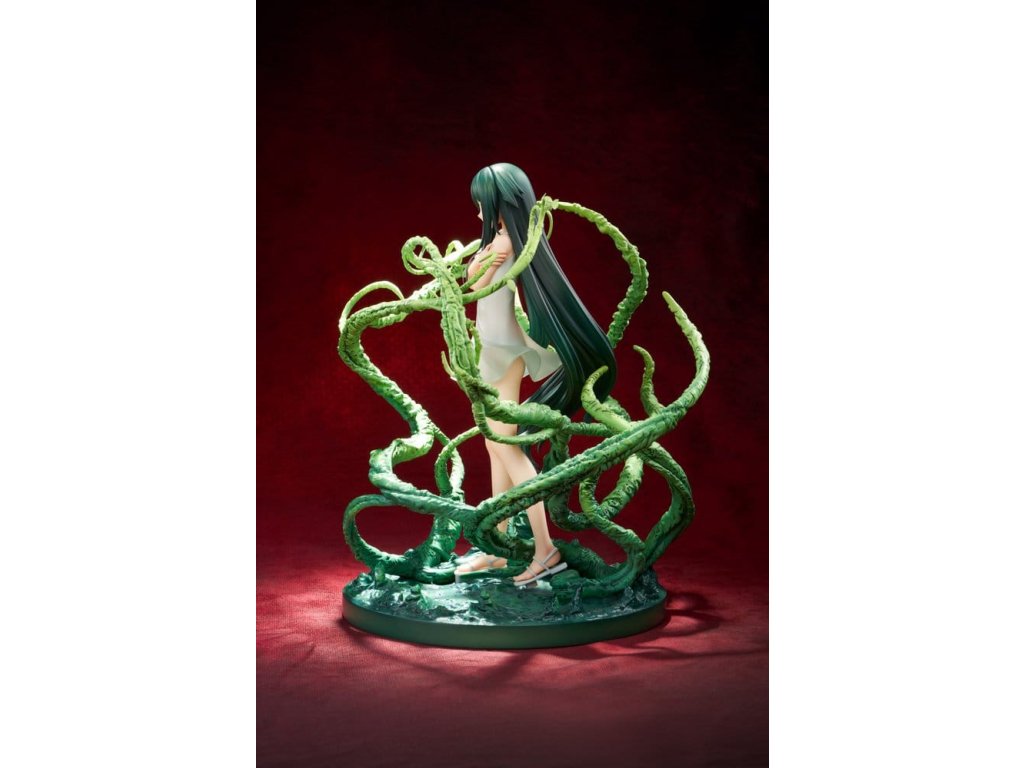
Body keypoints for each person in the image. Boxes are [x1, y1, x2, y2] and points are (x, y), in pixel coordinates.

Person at [453, 163, 617, 586]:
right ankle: (499, 545)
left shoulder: (504, 242)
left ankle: (545, 550)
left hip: (502, 351)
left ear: (500, 203)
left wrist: (473, 268)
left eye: (482, 204)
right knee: (495, 444)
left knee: (505, 446)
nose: (478, 213)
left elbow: (473, 289)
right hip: (495, 347)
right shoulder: (505, 240)